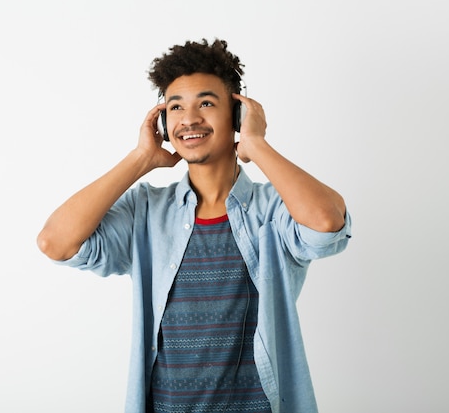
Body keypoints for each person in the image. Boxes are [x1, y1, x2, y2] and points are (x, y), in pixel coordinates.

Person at [37, 38, 352, 413]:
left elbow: (327, 222)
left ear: (236, 114)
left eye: (205, 103)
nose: (189, 119)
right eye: (175, 107)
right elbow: (55, 242)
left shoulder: (274, 210)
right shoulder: (147, 212)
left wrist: (257, 145)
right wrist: (140, 158)